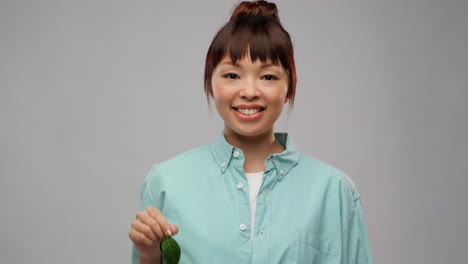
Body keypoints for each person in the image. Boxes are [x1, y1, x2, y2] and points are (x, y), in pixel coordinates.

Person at [129, 1, 373, 263]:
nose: (249, 91)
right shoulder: (165, 183)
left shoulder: (335, 191)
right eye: (232, 75)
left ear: (290, 88)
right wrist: (149, 255)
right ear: (210, 83)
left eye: (268, 76)